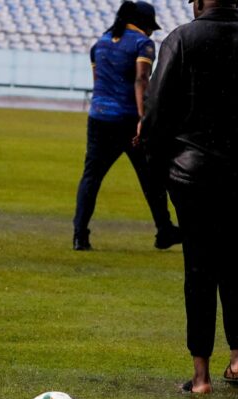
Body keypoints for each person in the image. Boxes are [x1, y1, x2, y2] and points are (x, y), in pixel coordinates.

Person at [141, 0, 238, 394]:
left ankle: (200, 376)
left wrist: (155, 167)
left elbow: (157, 111)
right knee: (235, 259)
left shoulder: (180, 39)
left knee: (198, 266)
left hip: (190, 173)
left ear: (197, 2)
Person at [73, 1, 181, 252]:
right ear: (143, 23)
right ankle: (164, 230)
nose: (152, 32)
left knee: (91, 177)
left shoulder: (99, 43)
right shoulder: (142, 44)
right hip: (130, 120)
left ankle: (80, 235)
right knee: (151, 177)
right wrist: (144, 119)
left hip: (99, 118)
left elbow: (99, 81)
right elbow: (141, 79)